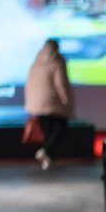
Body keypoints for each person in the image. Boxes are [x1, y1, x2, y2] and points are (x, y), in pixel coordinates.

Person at [24, 39, 74, 170]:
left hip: (38, 104)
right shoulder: (58, 60)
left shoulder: (36, 61)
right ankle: (46, 152)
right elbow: (61, 83)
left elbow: (29, 83)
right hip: (54, 101)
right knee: (60, 127)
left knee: (47, 130)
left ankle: (48, 157)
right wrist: (67, 100)